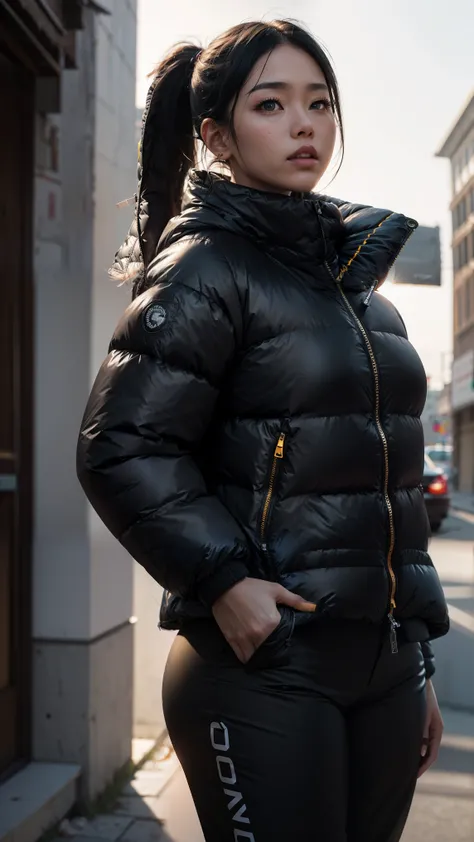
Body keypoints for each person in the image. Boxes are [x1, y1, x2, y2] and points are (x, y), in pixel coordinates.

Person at [77, 19, 449, 842]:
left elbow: (383, 492)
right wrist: (223, 584)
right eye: (272, 104)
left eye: (319, 103)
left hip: (381, 667)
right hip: (265, 666)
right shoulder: (208, 266)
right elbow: (121, 443)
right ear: (217, 134)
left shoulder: (361, 295)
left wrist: (414, 661)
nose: (305, 123)